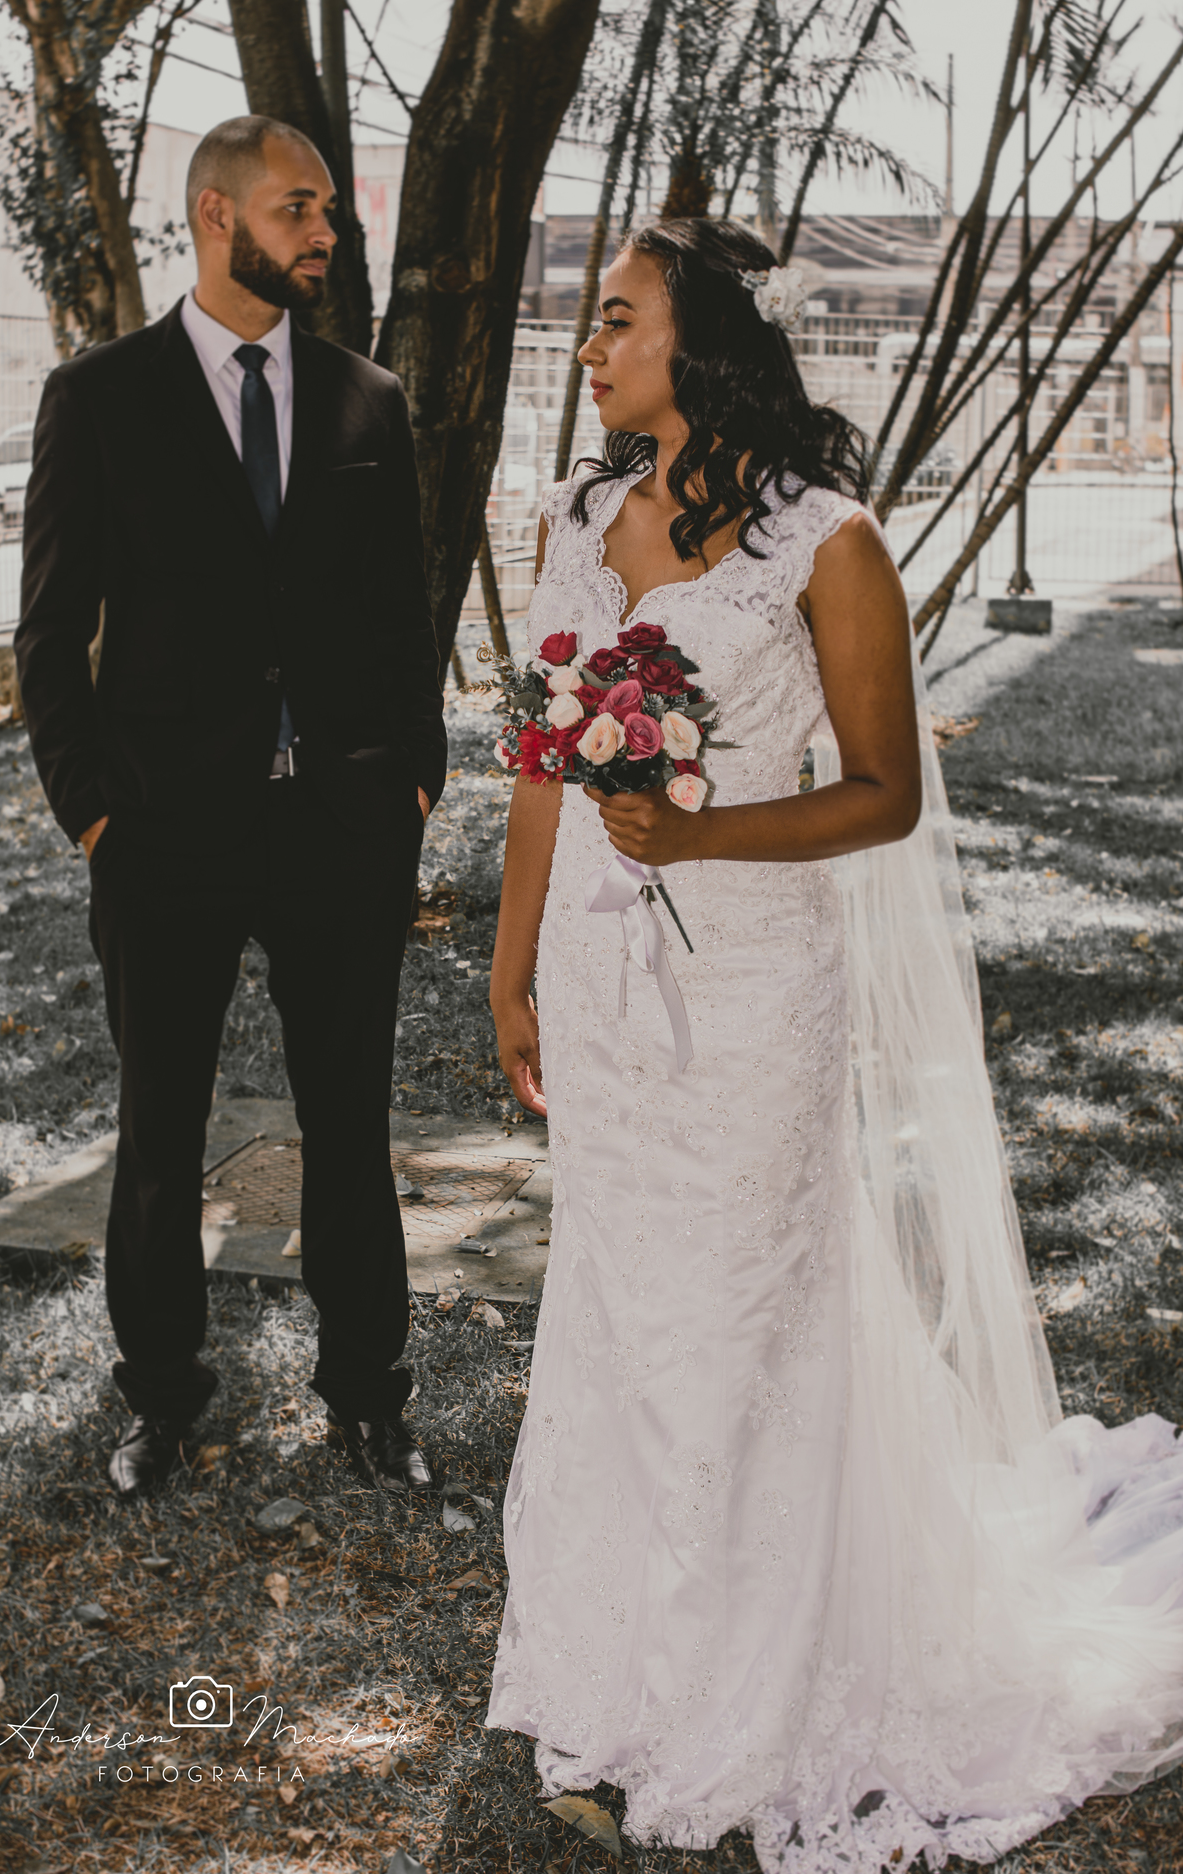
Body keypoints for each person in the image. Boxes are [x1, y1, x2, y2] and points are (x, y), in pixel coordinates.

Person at [484, 218, 1183, 1870]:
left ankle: (745, 1687)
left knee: (738, 1324)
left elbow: (886, 791)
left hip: (753, 993)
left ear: (700, 340)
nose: (591, 347)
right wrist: (511, 964)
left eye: (618, 318)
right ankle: (610, 1669)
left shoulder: (827, 543)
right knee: (619, 1312)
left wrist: (696, 837)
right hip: (600, 980)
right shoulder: (575, 519)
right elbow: (542, 767)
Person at [15, 116, 446, 1502]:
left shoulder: (369, 398)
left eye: (325, 210)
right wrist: (93, 812)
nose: (326, 230)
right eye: (297, 207)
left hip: (342, 829)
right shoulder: (99, 399)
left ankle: (369, 1398)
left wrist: (412, 778)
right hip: (162, 833)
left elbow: (403, 613)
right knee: (160, 1135)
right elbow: (48, 635)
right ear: (217, 215)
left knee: (350, 1124)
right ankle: (162, 1400)